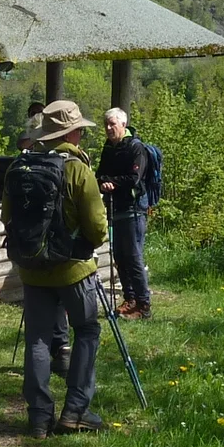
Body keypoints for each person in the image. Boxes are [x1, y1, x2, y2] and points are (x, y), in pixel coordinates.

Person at [0, 99, 109, 437]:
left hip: (32, 269)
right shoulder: (77, 168)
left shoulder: (20, 165)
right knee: (87, 331)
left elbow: (7, 217)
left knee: (38, 338)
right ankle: (75, 411)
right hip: (74, 269)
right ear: (73, 132)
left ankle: (38, 417)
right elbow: (97, 227)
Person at [96, 106, 153, 319]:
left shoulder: (136, 148)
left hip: (134, 209)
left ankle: (143, 305)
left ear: (123, 124)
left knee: (134, 257)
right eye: (106, 125)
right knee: (119, 255)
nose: (109, 129)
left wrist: (112, 183)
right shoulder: (108, 148)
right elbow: (99, 174)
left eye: (113, 124)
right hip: (116, 207)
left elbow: (134, 179)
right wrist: (104, 182)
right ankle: (129, 299)